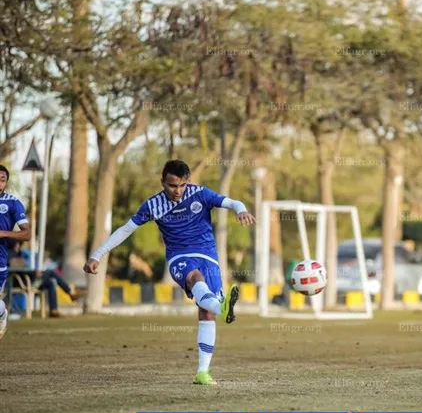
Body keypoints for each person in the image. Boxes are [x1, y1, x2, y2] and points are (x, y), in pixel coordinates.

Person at [83, 160, 256, 385]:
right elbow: (125, 230)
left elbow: (232, 202)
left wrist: (241, 210)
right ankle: (222, 308)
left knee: (206, 313)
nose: (178, 191)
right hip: (179, 256)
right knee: (195, 278)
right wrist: (97, 254)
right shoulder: (152, 205)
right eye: (172, 185)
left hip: (208, 256)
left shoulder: (200, 194)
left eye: (182, 185)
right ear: (162, 182)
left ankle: (202, 372)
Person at [8, 242, 85, 317]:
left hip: (32, 281)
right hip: (24, 282)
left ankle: (53, 310)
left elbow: (24, 267)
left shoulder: (21, 254)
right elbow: (17, 269)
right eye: (17, 243)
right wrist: (34, 272)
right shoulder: (10, 254)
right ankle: (70, 292)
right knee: (50, 272)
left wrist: (34, 272)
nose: (19, 245)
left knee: (52, 282)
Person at [0, 165, 31, 340]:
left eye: (2, 180)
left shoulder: (13, 203)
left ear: (6, 183)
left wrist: (4, 233)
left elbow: (27, 234)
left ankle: (2, 312)